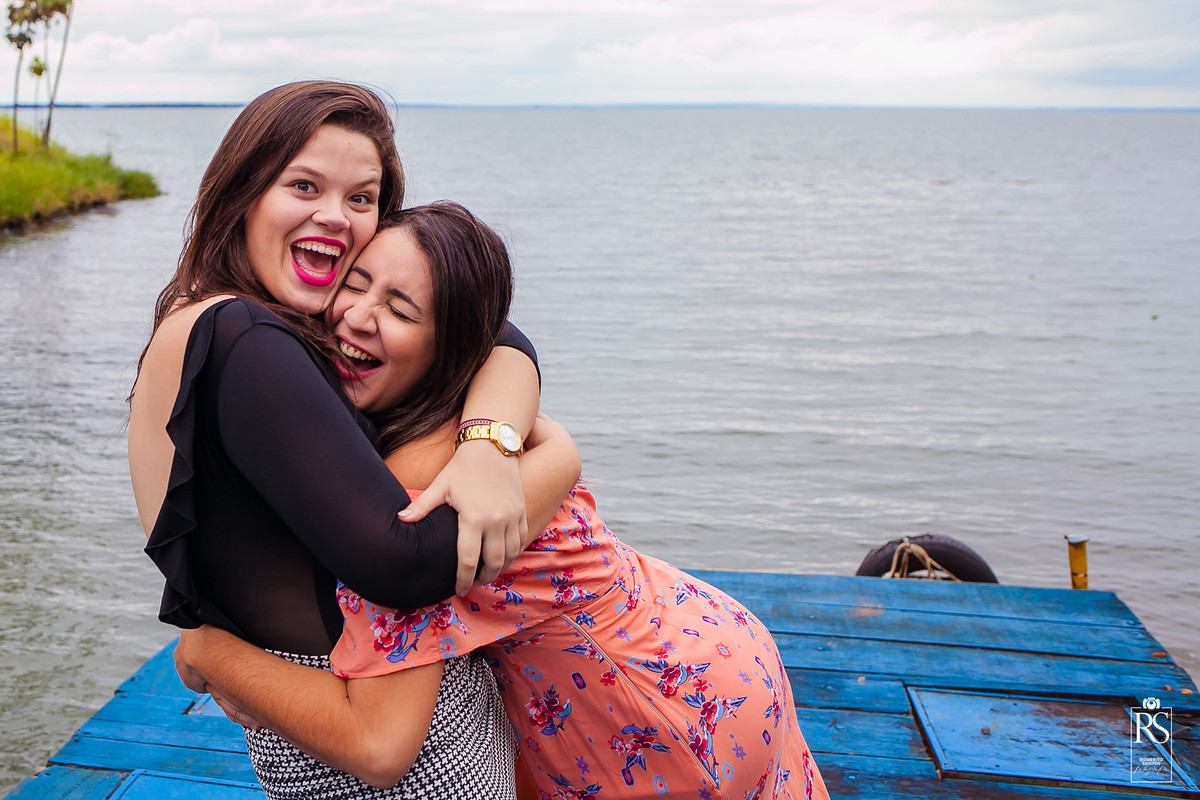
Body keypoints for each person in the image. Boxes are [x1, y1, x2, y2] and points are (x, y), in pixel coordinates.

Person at [176, 202, 831, 800]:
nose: (357, 315)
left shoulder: (407, 504)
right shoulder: (475, 414)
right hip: (703, 642)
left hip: (654, 718)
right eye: (354, 282)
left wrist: (209, 655)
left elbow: (379, 747)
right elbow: (544, 419)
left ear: (452, 348)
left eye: (401, 310)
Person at [128, 81, 581, 799]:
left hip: (352, 735)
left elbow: (487, 331)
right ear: (243, 188)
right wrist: (556, 456)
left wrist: (487, 443)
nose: (334, 218)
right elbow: (410, 564)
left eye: (362, 199)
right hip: (392, 758)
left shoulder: (226, 322)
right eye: (303, 185)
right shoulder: (246, 339)